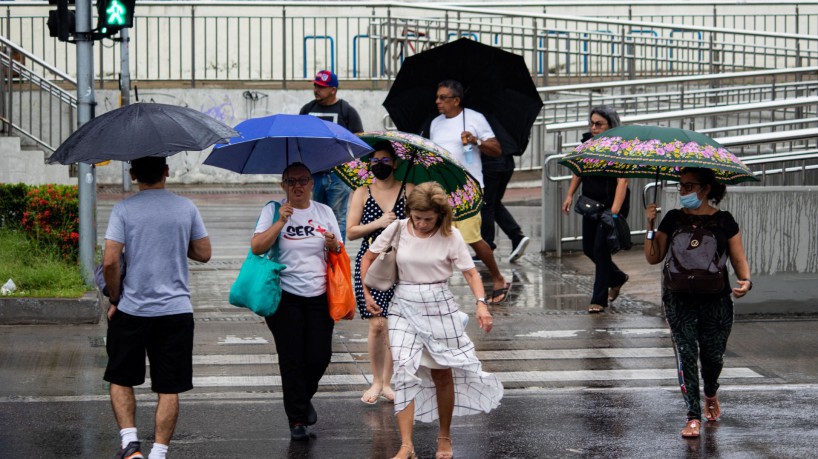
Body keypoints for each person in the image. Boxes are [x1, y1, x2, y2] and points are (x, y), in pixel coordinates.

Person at [359, 182, 503, 459]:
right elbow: (368, 258)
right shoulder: (398, 228)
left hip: (438, 304)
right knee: (402, 370)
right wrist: (366, 294)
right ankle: (406, 446)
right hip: (403, 303)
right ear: (410, 211)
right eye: (417, 217)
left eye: (428, 218)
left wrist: (482, 306)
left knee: (441, 373)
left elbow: (471, 274)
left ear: (440, 214)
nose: (422, 223)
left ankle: (444, 437)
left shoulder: (452, 236)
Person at [102, 157, 212, 459]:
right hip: (176, 312)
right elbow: (204, 253)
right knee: (169, 386)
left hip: (132, 310)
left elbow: (110, 261)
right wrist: (176, 240)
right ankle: (159, 453)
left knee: (121, 378)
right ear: (166, 171)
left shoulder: (124, 209)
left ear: (133, 174)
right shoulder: (185, 208)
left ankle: (130, 444)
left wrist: (115, 299)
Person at [644, 167, 752, 438]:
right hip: (678, 297)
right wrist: (650, 225)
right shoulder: (672, 218)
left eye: (688, 186)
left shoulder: (724, 221)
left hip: (716, 298)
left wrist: (746, 280)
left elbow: (738, 257)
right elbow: (653, 257)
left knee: (713, 356)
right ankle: (693, 416)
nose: (682, 191)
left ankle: (711, 392)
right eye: (680, 186)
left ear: (705, 189)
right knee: (686, 353)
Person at [250, 162, 343, 442]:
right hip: (285, 296)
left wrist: (332, 245)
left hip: (319, 295)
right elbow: (256, 248)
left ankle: (301, 397)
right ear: (283, 185)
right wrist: (280, 221)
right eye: (291, 181)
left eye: (303, 180)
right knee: (292, 359)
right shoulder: (272, 210)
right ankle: (297, 420)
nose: (298, 186)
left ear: (312, 183)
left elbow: (338, 247)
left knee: (319, 357)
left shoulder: (324, 212)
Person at [429, 79, 512, 304]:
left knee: (471, 238)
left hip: (468, 188)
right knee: (437, 237)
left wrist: (476, 141)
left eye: (443, 98)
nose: (438, 102)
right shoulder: (435, 123)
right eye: (437, 97)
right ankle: (438, 286)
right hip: (442, 188)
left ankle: (498, 278)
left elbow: (496, 150)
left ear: (456, 101)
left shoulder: (475, 119)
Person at [346, 141, 414, 405]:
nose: (380, 165)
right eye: (375, 161)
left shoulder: (409, 190)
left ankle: (388, 383)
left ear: (395, 164)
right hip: (371, 262)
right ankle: (376, 381)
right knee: (377, 324)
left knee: (394, 325)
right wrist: (379, 223)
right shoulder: (362, 192)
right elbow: (351, 232)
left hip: (402, 263)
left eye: (386, 161)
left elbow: (420, 224)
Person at [561, 105, 631, 313]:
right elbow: (579, 170)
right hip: (592, 203)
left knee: (601, 250)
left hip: (612, 205)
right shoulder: (588, 144)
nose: (593, 128)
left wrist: (615, 213)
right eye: (591, 123)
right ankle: (617, 277)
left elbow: (623, 181)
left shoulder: (619, 148)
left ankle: (599, 300)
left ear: (611, 125)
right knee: (588, 248)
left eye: (599, 124)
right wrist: (569, 194)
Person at [299, 69, 364, 241]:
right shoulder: (307, 110)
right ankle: (319, 248)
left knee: (337, 216)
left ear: (333, 90)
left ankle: (337, 253)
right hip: (314, 172)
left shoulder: (346, 111)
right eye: (315, 85)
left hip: (339, 174)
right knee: (315, 213)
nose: (316, 89)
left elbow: (358, 141)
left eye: (321, 86)